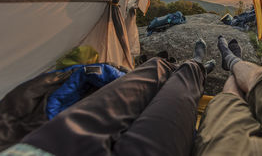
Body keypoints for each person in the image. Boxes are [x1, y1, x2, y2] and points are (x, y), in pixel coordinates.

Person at [1, 39, 215, 156]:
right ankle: (196, 65)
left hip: (50, 146)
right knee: (179, 96)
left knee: (156, 68)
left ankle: (184, 67)